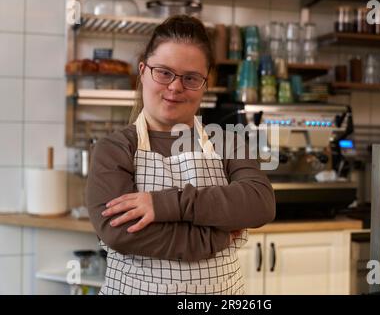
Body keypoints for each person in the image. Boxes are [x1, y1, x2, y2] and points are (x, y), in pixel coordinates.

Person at [85, 15, 276, 295]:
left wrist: (163, 205)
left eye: (190, 78)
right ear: (143, 71)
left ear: (204, 83)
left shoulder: (229, 143)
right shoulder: (114, 149)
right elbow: (119, 232)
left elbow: (260, 204)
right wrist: (215, 236)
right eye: (163, 72)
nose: (175, 86)